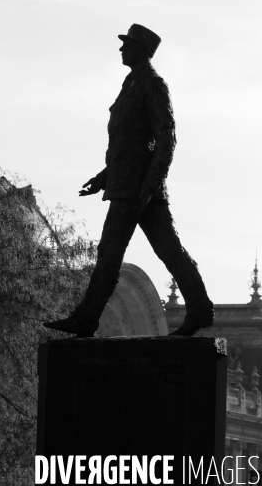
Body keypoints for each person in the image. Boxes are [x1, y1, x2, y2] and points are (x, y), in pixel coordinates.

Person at [44, 24, 213, 337]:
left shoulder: (152, 84)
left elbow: (167, 137)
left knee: (115, 252)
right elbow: (129, 144)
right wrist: (102, 177)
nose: (122, 49)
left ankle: (86, 319)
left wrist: (150, 184)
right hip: (126, 184)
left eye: (128, 45)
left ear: (142, 51)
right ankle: (200, 309)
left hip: (138, 189)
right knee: (160, 250)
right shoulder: (131, 83)